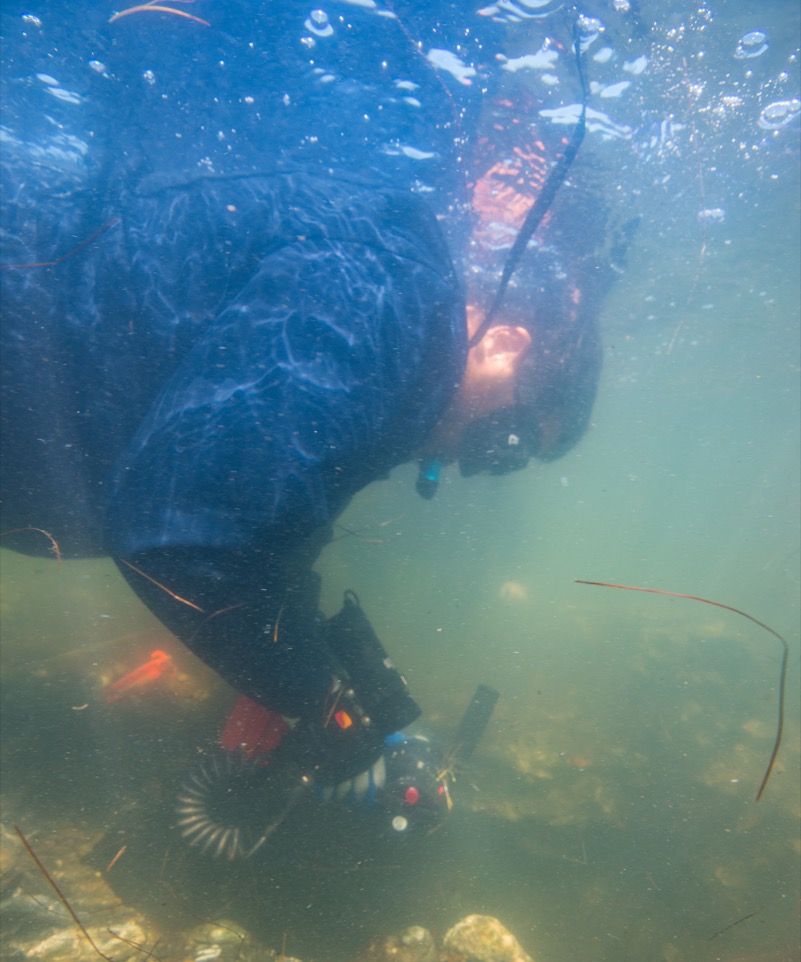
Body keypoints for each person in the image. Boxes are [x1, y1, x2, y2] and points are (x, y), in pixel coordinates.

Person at [1, 0, 635, 795]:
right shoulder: (393, 298)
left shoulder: (386, 316)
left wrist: (328, 659)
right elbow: (190, 536)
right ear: (507, 340)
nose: (468, 466)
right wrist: (321, 698)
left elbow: (256, 511)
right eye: (503, 444)